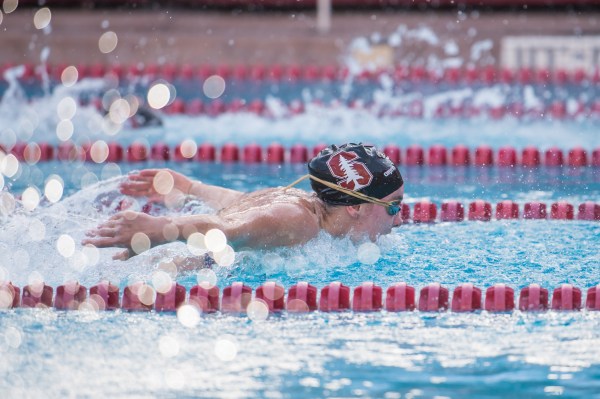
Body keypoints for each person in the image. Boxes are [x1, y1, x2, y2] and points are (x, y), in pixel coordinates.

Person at [83, 143, 404, 260]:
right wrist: (159, 229)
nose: (400, 219)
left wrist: (190, 187)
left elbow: (242, 205)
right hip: (164, 268)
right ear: (356, 206)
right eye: (394, 206)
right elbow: (223, 228)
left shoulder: (298, 203)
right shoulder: (298, 222)